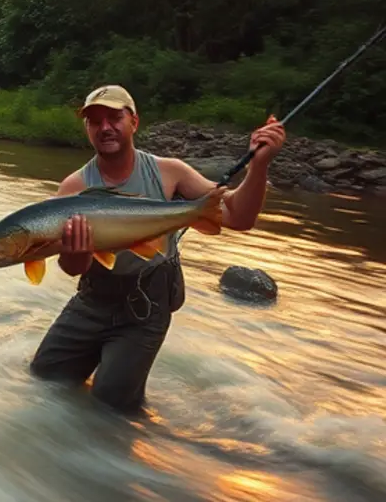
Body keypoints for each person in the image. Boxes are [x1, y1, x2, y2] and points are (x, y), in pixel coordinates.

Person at [28, 84, 286, 414]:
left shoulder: (170, 173)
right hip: (93, 300)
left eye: (114, 117)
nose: (105, 127)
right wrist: (77, 250)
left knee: (111, 404)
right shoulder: (74, 187)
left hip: (145, 305)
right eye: (94, 121)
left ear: (134, 122)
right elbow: (74, 269)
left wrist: (259, 166)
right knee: (44, 377)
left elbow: (238, 217)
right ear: (87, 129)